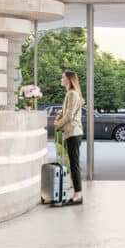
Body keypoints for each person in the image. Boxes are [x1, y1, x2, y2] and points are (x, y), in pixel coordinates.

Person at [54, 70, 84, 204]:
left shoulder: (72, 93)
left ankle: (78, 195)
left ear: (69, 79)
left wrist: (58, 124)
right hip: (72, 132)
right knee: (73, 163)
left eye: (63, 77)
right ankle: (77, 193)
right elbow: (67, 110)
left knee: (74, 164)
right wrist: (60, 113)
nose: (61, 79)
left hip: (73, 132)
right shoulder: (70, 93)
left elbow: (70, 115)